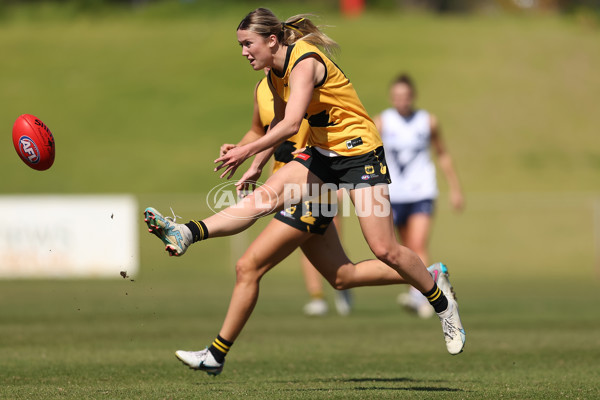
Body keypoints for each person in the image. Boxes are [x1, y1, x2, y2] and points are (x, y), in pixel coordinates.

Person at [144, 8, 465, 375]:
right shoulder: (273, 76)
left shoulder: (304, 62)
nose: (244, 52)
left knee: (384, 249)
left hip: (361, 155)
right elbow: (280, 124)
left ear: (272, 40)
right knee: (263, 203)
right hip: (323, 156)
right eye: (241, 46)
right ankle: (186, 232)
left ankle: (440, 300)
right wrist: (256, 163)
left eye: (248, 44)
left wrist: (247, 150)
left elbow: (294, 122)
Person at [221, 70, 353, 317]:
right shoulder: (262, 88)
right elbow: (258, 132)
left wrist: (311, 152)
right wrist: (239, 149)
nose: (247, 54)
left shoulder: (307, 82)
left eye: (251, 45)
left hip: (312, 188)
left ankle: (217, 352)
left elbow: (336, 125)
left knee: (248, 267)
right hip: (282, 188)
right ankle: (426, 277)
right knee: (343, 275)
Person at [374, 74, 465, 318]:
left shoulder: (427, 122)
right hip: (393, 194)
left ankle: (421, 297)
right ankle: (420, 293)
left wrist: (455, 188)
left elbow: (442, 153)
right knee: (401, 250)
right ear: (392, 98)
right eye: (397, 97)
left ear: (412, 97)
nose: (401, 101)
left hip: (422, 191)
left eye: (405, 96)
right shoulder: (382, 122)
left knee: (418, 244)